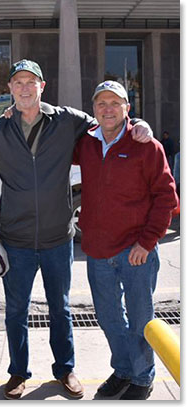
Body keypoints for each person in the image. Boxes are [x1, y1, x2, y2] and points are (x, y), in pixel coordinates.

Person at [0, 59, 153, 400]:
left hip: (58, 236)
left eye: (31, 82)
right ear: (10, 89)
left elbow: (109, 122)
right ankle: (17, 373)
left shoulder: (67, 120)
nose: (25, 88)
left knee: (61, 308)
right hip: (16, 238)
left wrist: (139, 124)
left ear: (42, 87)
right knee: (15, 311)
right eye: (18, 83)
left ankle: (65, 369)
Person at [73, 80, 178, 400]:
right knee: (107, 317)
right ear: (93, 110)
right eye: (101, 103)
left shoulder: (146, 146)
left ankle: (143, 377)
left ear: (127, 109)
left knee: (140, 319)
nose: (107, 109)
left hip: (136, 251)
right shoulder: (86, 145)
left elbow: (166, 198)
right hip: (98, 249)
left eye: (115, 103)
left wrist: (147, 242)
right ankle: (124, 370)